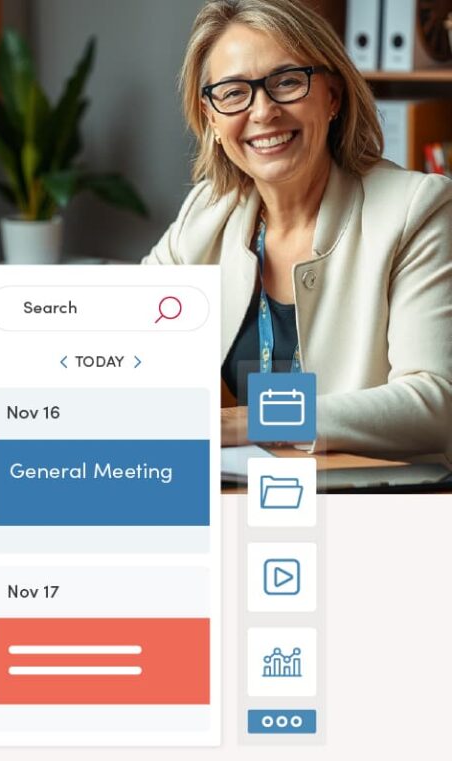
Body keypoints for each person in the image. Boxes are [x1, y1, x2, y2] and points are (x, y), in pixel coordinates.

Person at [144, 0, 452, 464]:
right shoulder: (205, 215)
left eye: (287, 82)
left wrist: (249, 420)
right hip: (232, 496)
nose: (263, 111)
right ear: (211, 117)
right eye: (232, 92)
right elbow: (125, 338)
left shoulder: (416, 210)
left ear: (333, 95)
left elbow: (433, 402)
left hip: (367, 507)